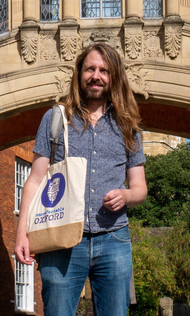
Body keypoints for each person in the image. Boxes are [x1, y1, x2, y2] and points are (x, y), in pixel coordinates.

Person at [14, 43, 148, 316]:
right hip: (60, 238)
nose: (96, 76)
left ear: (114, 77)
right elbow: (35, 179)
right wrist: (21, 233)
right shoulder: (55, 118)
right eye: (90, 69)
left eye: (103, 71)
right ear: (79, 73)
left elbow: (140, 188)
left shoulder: (128, 126)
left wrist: (126, 195)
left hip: (113, 238)